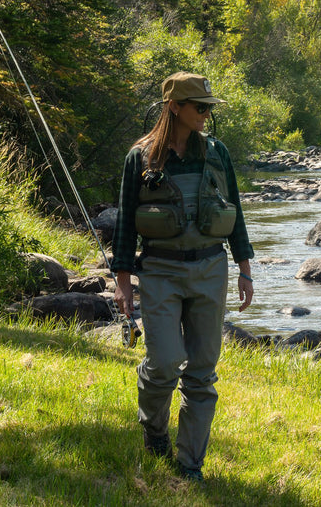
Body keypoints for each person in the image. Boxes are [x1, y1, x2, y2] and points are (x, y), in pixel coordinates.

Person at [111, 71, 254, 482]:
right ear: (174, 107)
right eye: (200, 107)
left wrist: (245, 269)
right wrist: (123, 282)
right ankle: (155, 431)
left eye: (209, 107)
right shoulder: (140, 158)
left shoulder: (217, 153)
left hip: (211, 268)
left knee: (202, 371)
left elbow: (235, 211)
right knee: (164, 362)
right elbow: (125, 224)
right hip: (160, 271)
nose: (206, 114)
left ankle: (190, 465)